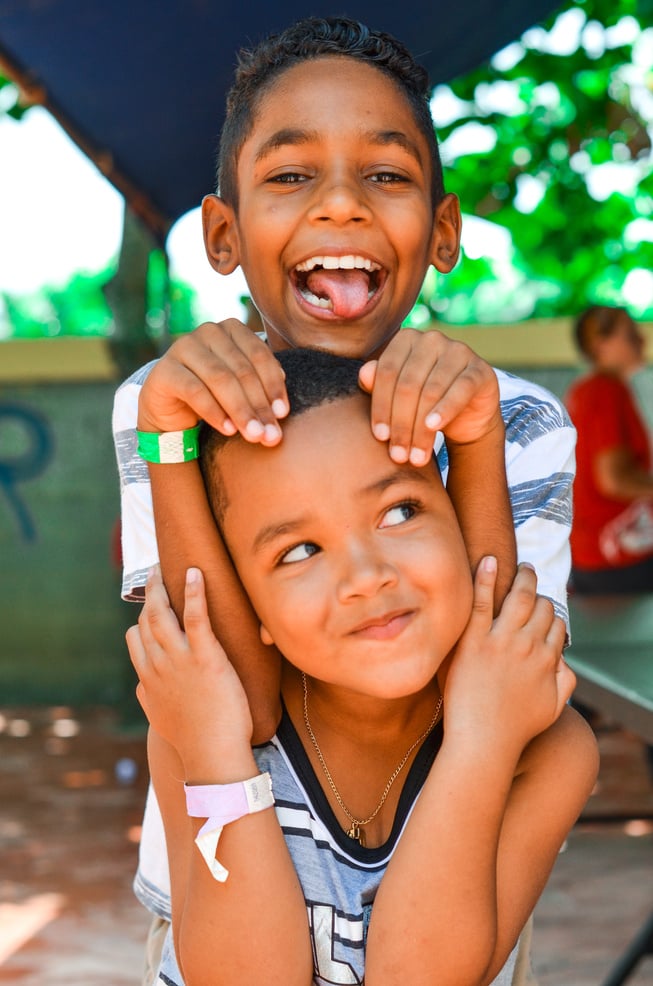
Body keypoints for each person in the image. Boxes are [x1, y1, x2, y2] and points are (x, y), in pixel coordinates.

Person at [111, 16, 576, 983]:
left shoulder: (514, 417)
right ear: (224, 236)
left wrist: (476, 438)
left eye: (385, 174)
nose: (340, 208)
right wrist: (165, 428)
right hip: (227, 878)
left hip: (459, 889)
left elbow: (490, 683)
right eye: (289, 175)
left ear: (442, 232)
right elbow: (228, 695)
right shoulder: (171, 409)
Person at [126, 347, 598, 986]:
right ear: (249, 604)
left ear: (460, 525)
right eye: (299, 551)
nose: (366, 577)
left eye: (400, 512)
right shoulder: (200, 730)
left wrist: (482, 742)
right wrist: (213, 751)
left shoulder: (546, 755)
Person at [566, 304, 653, 593]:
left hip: (595, 555)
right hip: (612, 556)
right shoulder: (604, 391)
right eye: (630, 335)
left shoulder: (588, 391)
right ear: (599, 344)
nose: (641, 340)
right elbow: (614, 480)